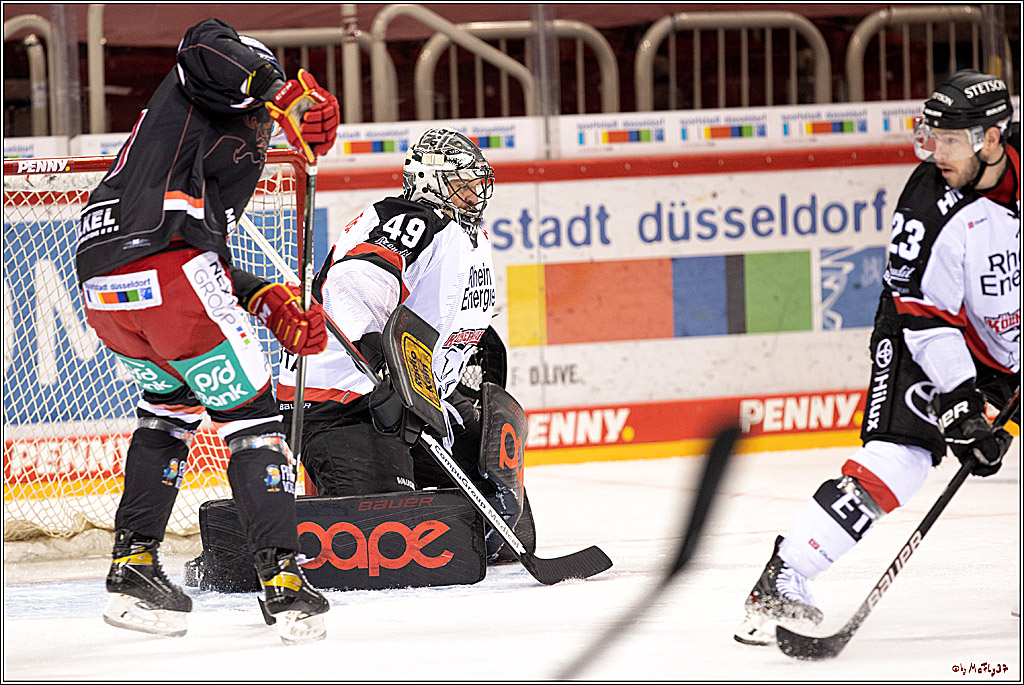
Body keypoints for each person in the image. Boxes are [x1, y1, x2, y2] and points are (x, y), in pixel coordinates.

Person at [76, 18, 340, 644]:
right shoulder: (228, 77)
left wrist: (271, 301)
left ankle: (133, 567)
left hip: (108, 287)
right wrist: (281, 89)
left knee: (169, 409)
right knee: (253, 419)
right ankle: (282, 579)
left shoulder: (202, 140)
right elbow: (201, 40)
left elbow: (206, 260)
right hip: (166, 268)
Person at [734, 69, 1020, 646]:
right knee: (902, 456)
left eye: (951, 139)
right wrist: (963, 404)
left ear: (993, 138)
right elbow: (923, 314)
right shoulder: (928, 202)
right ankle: (787, 575)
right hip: (924, 333)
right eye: (931, 136)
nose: (935, 151)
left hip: (1000, 337)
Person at [277, 127, 533, 561]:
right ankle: (269, 540)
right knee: (388, 541)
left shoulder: (472, 237)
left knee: (505, 536)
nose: (474, 193)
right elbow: (351, 283)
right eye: (461, 183)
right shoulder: (411, 218)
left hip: (409, 403)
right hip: (343, 404)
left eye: (477, 183)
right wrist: (383, 363)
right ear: (429, 181)